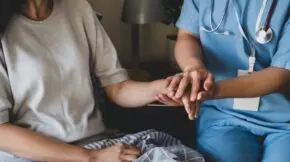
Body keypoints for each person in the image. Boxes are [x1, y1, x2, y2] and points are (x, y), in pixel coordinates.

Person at [0, 0, 205, 162]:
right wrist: (92, 158)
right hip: (37, 155)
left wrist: (165, 87)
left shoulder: (78, 8)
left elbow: (118, 88)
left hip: (98, 144)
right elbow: (2, 132)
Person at [157, 0, 290, 161]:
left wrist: (210, 90)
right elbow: (188, 36)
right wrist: (193, 67)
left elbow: (282, 74)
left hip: (284, 120)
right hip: (222, 115)